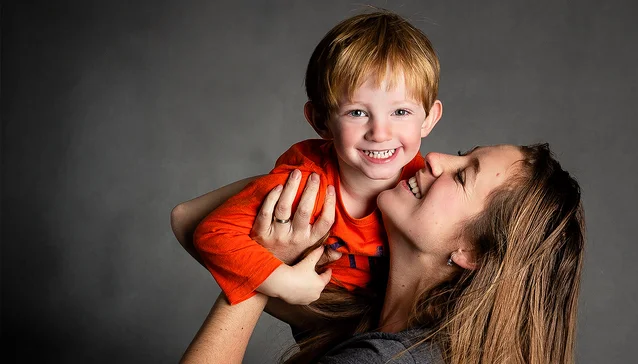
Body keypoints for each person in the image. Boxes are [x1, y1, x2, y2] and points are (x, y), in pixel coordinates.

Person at [176, 143, 586, 363]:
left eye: (462, 175)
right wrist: (314, 179)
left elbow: (194, 225)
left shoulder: (382, 361)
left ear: (472, 251)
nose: (435, 159)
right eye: (462, 151)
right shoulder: (360, 309)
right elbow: (189, 221)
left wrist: (262, 260)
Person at [189, 10, 443, 306]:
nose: (380, 133)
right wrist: (283, 282)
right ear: (321, 121)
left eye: (400, 112)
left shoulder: (432, 184)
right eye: (357, 113)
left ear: (428, 119)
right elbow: (213, 233)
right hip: (325, 319)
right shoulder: (305, 184)